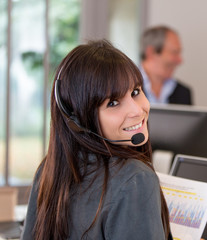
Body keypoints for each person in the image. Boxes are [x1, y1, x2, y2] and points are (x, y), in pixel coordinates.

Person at [21, 40, 172, 239]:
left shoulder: (50, 171)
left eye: (135, 92)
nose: (137, 110)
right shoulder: (134, 179)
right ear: (78, 119)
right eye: (113, 103)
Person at [140, 25, 192, 105]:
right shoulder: (124, 87)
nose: (180, 60)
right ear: (151, 52)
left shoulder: (183, 93)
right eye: (174, 52)